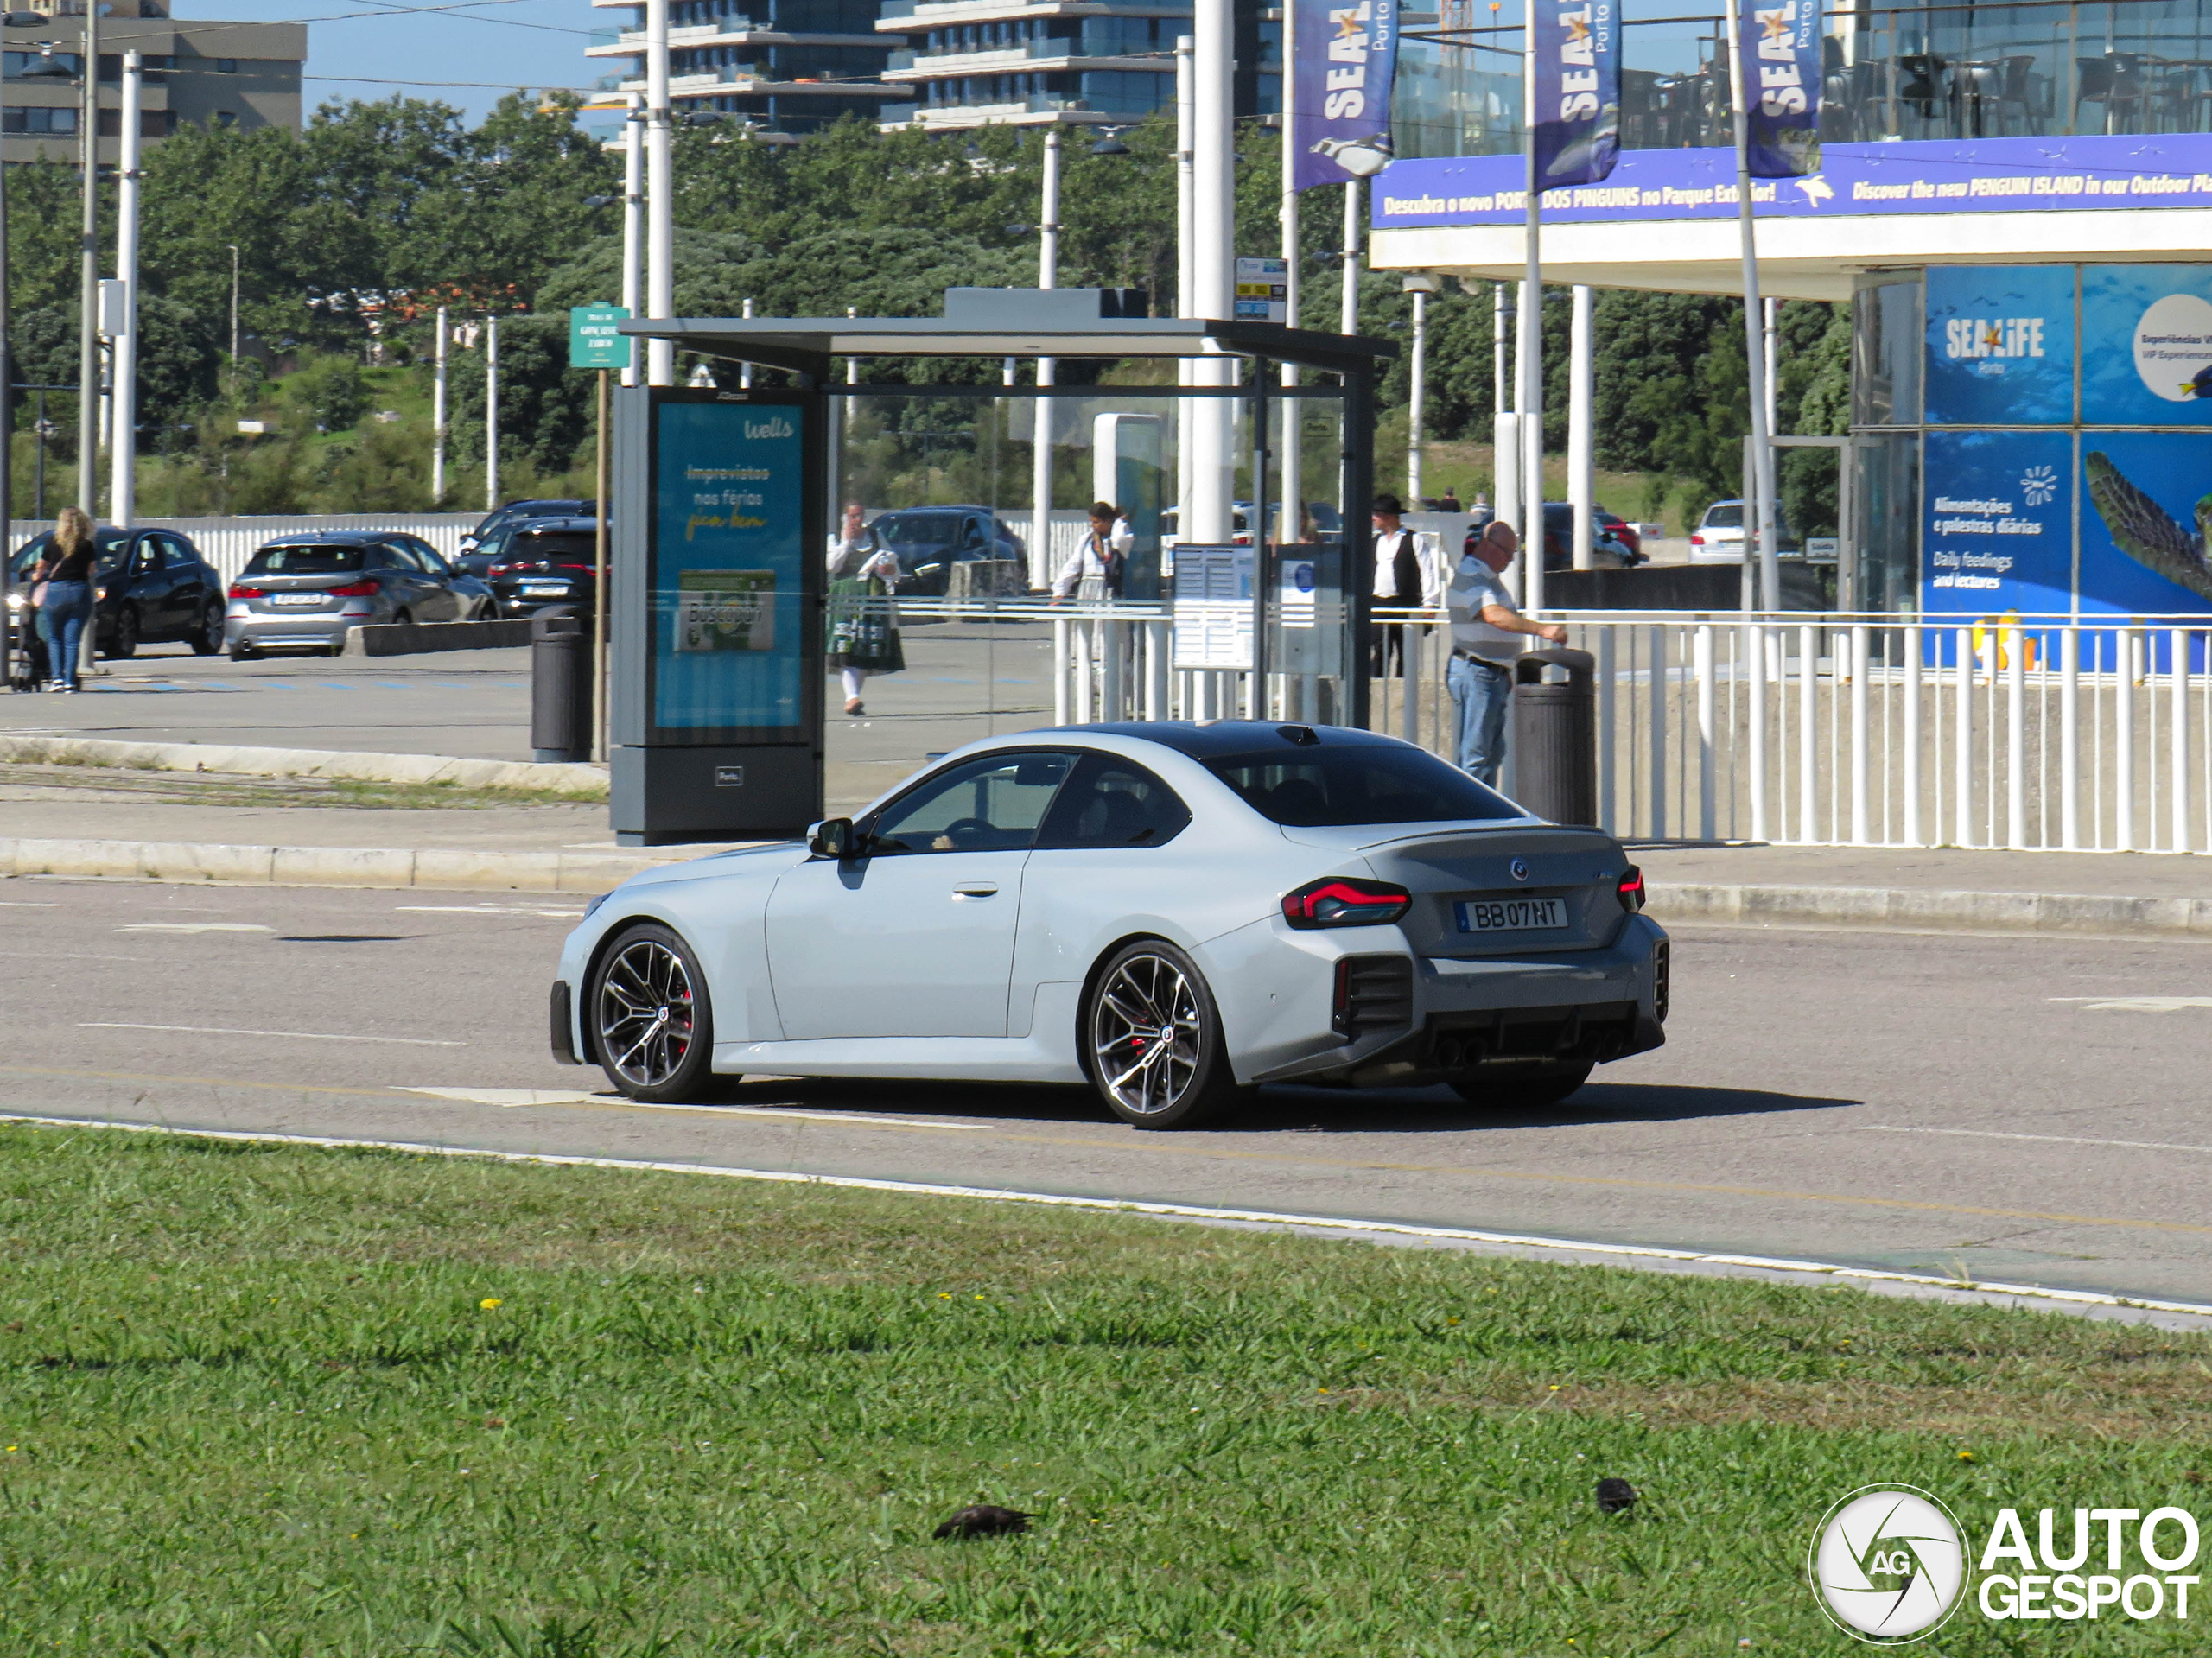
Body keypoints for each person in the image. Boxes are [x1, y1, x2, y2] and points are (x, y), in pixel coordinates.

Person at [1446, 519, 1567, 787]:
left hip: (1490, 673)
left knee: (1491, 752)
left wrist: (1505, 667)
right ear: (1491, 546)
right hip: (1478, 672)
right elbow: (1493, 615)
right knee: (1476, 755)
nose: (1511, 560)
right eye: (1509, 553)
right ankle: (1471, 816)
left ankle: (1483, 813)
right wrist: (1542, 630)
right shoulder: (1472, 575)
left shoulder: (1485, 577)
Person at [825, 503, 901, 716]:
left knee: (865, 649)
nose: (856, 520)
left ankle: (853, 698)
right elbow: (832, 566)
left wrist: (889, 569)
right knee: (846, 648)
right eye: (852, 516)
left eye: (859, 515)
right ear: (844, 518)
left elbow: (895, 568)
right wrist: (847, 542)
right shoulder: (836, 539)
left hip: (871, 598)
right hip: (845, 599)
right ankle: (852, 697)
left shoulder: (876, 538)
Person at [1367, 492, 1443, 677]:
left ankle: (1404, 693)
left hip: (1404, 603)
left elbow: (1427, 571)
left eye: (1376, 514)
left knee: (1405, 652)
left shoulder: (1413, 540)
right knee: (1379, 650)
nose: (1373, 519)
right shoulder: (1375, 542)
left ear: (1389, 517)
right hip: (1378, 604)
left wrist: (1429, 602)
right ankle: (1377, 690)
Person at [31, 506, 99, 695]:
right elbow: (91, 570)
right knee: (72, 641)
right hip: (79, 591)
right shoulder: (86, 545)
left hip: (55, 593)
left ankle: (56, 679)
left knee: (54, 638)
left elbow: (41, 567)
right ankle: (70, 682)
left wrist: (37, 576)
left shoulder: (52, 543)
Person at [1052, 501, 1132, 601]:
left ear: (1107, 521)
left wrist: (1117, 523)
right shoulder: (1087, 540)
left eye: (1096, 522)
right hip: (1087, 590)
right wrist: (1060, 591)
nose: (1092, 525)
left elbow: (1120, 539)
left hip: (1109, 589)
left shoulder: (1117, 541)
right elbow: (1072, 565)